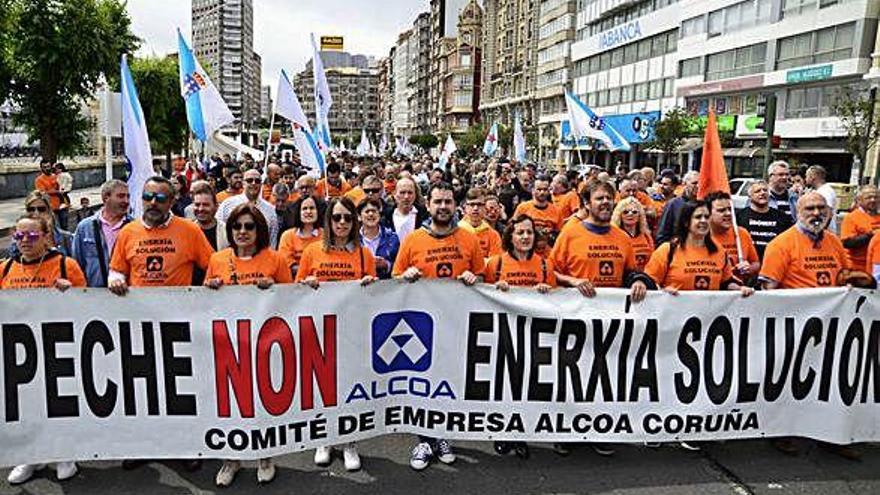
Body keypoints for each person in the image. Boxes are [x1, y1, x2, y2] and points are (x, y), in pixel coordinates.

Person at [759, 192, 861, 460]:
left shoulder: (834, 243)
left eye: (821, 208)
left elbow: (844, 275)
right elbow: (769, 288)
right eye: (810, 208)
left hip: (832, 327)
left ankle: (832, 435)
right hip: (796, 329)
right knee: (793, 381)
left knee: (832, 381)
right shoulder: (782, 244)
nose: (816, 213)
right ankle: (782, 431)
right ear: (797, 212)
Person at [393, 182, 485, 471]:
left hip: (457, 324)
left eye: (448, 201)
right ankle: (424, 439)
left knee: (450, 382)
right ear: (428, 205)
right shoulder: (413, 240)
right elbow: (395, 277)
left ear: (455, 205)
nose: (443, 207)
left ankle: (442, 435)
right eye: (437, 202)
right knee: (423, 383)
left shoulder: (468, 239)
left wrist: (475, 277)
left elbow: (482, 276)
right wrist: (404, 276)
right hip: (421, 327)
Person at [205, 204, 292, 487]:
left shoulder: (275, 259)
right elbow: (203, 303)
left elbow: (295, 303)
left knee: (263, 402)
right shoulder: (217, 259)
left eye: (249, 226)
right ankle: (231, 458)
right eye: (237, 227)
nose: (242, 232)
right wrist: (212, 288)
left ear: (260, 230)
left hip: (265, 345)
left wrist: (275, 292)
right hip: (228, 344)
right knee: (230, 403)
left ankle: (265, 456)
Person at [2, 214, 86, 485]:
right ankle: (31, 456)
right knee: (27, 403)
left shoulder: (65, 265)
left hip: (58, 346)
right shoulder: (4, 269)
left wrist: (70, 292)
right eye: (19, 236)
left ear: (47, 237)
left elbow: (90, 307)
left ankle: (64, 454)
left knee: (60, 401)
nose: (25, 241)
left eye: (32, 236)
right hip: (20, 351)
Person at [296, 196, 377, 473]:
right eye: (336, 217)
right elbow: (296, 293)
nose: (342, 223)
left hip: (353, 331)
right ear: (328, 221)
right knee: (323, 387)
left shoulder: (364, 255)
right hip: (320, 330)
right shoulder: (312, 252)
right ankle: (324, 439)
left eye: (347, 218)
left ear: (354, 221)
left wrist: (370, 286)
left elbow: (374, 297)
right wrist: (307, 285)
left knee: (351, 388)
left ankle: (349, 441)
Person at [645, 200, 752, 296]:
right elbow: (649, 282)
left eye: (707, 217)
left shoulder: (719, 251)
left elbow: (725, 282)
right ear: (686, 222)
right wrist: (662, 292)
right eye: (698, 217)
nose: (703, 221)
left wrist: (739, 289)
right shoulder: (667, 250)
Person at [72, 180, 132, 288]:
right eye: (121, 196)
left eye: (128, 196)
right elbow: (76, 265)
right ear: (106, 197)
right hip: (94, 295)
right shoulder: (85, 228)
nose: (126, 201)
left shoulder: (134, 228)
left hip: (129, 295)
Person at [484, 213, 557, 291]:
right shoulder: (495, 264)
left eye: (529, 232)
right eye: (520, 233)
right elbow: (485, 296)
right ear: (510, 237)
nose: (526, 237)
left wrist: (545, 290)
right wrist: (496, 288)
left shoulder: (545, 265)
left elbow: (553, 298)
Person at [216, 168, 279, 247]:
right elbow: (219, 231)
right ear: (243, 183)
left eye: (257, 181)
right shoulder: (227, 205)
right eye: (249, 180)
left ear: (261, 184)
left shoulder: (270, 210)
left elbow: (272, 239)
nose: (253, 183)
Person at [706, 191, 760, 282]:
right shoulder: (701, 237)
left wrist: (749, 268)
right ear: (708, 213)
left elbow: (756, 263)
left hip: (739, 291)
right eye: (721, 210)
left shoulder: (741, 233)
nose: (728, 213)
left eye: (730, 209)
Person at [735, 181, 794, 261]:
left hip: (774, 262)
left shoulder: (782, 217)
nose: (762, 193)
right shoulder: (740, 216)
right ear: (750, 196)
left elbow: (789, 242)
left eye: (765, 190)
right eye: (757, 191)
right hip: (749, 264)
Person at [7, 191, 74, 258]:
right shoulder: (18, 239)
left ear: (49, 211)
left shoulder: (66, 238)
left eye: (41, 209)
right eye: (31, 209)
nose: (36, 213)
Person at [513, 174, 562, 254]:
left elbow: (559, 235)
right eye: (539, 189)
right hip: (526, 253)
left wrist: (551, 234)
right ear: (533, 190)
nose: (542, 192)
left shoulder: (556, 210)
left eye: (545, 189)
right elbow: (512, 230)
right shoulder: (522, 208)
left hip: (548, 254)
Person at [278, 195, 324, 278]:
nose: (308, 211)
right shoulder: (287, 236)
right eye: (304, 208)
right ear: (298, 212)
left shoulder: (326, 235)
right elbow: (285, 264)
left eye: (312, 208)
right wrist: (309, 272)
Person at [839, 185, 880, 271]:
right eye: (868, 197)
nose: (873, 200)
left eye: (876, 197)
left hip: (876, 265)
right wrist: (871, 235)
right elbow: (847, 243)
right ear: (859, 200)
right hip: (857, 267)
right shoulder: (851, 218)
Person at [358, 197, 399, 279]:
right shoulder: (353, 239)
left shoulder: (392, 238)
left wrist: (386, 265)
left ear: (379, 215)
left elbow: (400, 265)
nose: (371, 214)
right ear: (359, 216)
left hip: (386, 287)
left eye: (374, 211)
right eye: (367, 212)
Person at [611, 197, 654, 272]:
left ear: (639, 216)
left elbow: (652, 260)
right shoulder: (613, 237)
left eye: (634, 212)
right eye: (625, 212)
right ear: (619, 216)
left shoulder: (647, 237)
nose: (630, 214)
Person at [656, 171, 699, 244]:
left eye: (700, 183)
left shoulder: (705, 204)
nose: (698, 186)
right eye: (694, 183)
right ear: (684, 184)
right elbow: (662, 234)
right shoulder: (673, 204)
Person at [382, 176, 429, 243]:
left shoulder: (424, 215)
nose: (406, 197)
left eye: (410, 193)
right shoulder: (386, 217)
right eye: (402, 193)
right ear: (395, 194)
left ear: (415, 195)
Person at [459, 187, 502, 259]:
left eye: (479, 204)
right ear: (465, 207)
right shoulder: (455, 232)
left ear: (485, 207)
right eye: (472, 204)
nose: (475, 208)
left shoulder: (493, 235)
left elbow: (495, 262)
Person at [806, 165, 837, 232]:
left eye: (807, 176)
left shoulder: (825, 191)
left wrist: (820, 230)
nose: (805, 179)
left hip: (825, 233)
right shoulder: (818, 191)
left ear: (813, 177)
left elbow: (828, 212)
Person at [55, 162, 73, 229]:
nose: (56, 171)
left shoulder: (62, 175)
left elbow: (62, 184)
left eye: (56, 169)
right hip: (66, 193)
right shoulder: (67, 174)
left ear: (60, 169)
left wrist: (60, 190)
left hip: (62, 194)